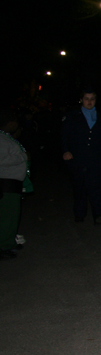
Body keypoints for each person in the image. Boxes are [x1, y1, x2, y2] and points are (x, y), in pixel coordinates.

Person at [61, 88, 101, 224]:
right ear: (81, 100)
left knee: (96, 187)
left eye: (92, 99)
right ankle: (79, 213)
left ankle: (98, 214)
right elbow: (64, 136)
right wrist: (65, 151)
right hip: (78, 158)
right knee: (79, 187)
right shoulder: (71, 116)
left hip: (97, 159)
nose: (89, 102)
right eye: (86, 98)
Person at [0, 111, 28, 259]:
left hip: (12, 183)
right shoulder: (1, 139)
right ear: (10, 123)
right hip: (6, 183)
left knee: (12, 216)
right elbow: (2, 159)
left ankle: (8, 242)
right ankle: (3, 246)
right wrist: (22, 157)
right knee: (6, 217)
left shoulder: (6, 137)